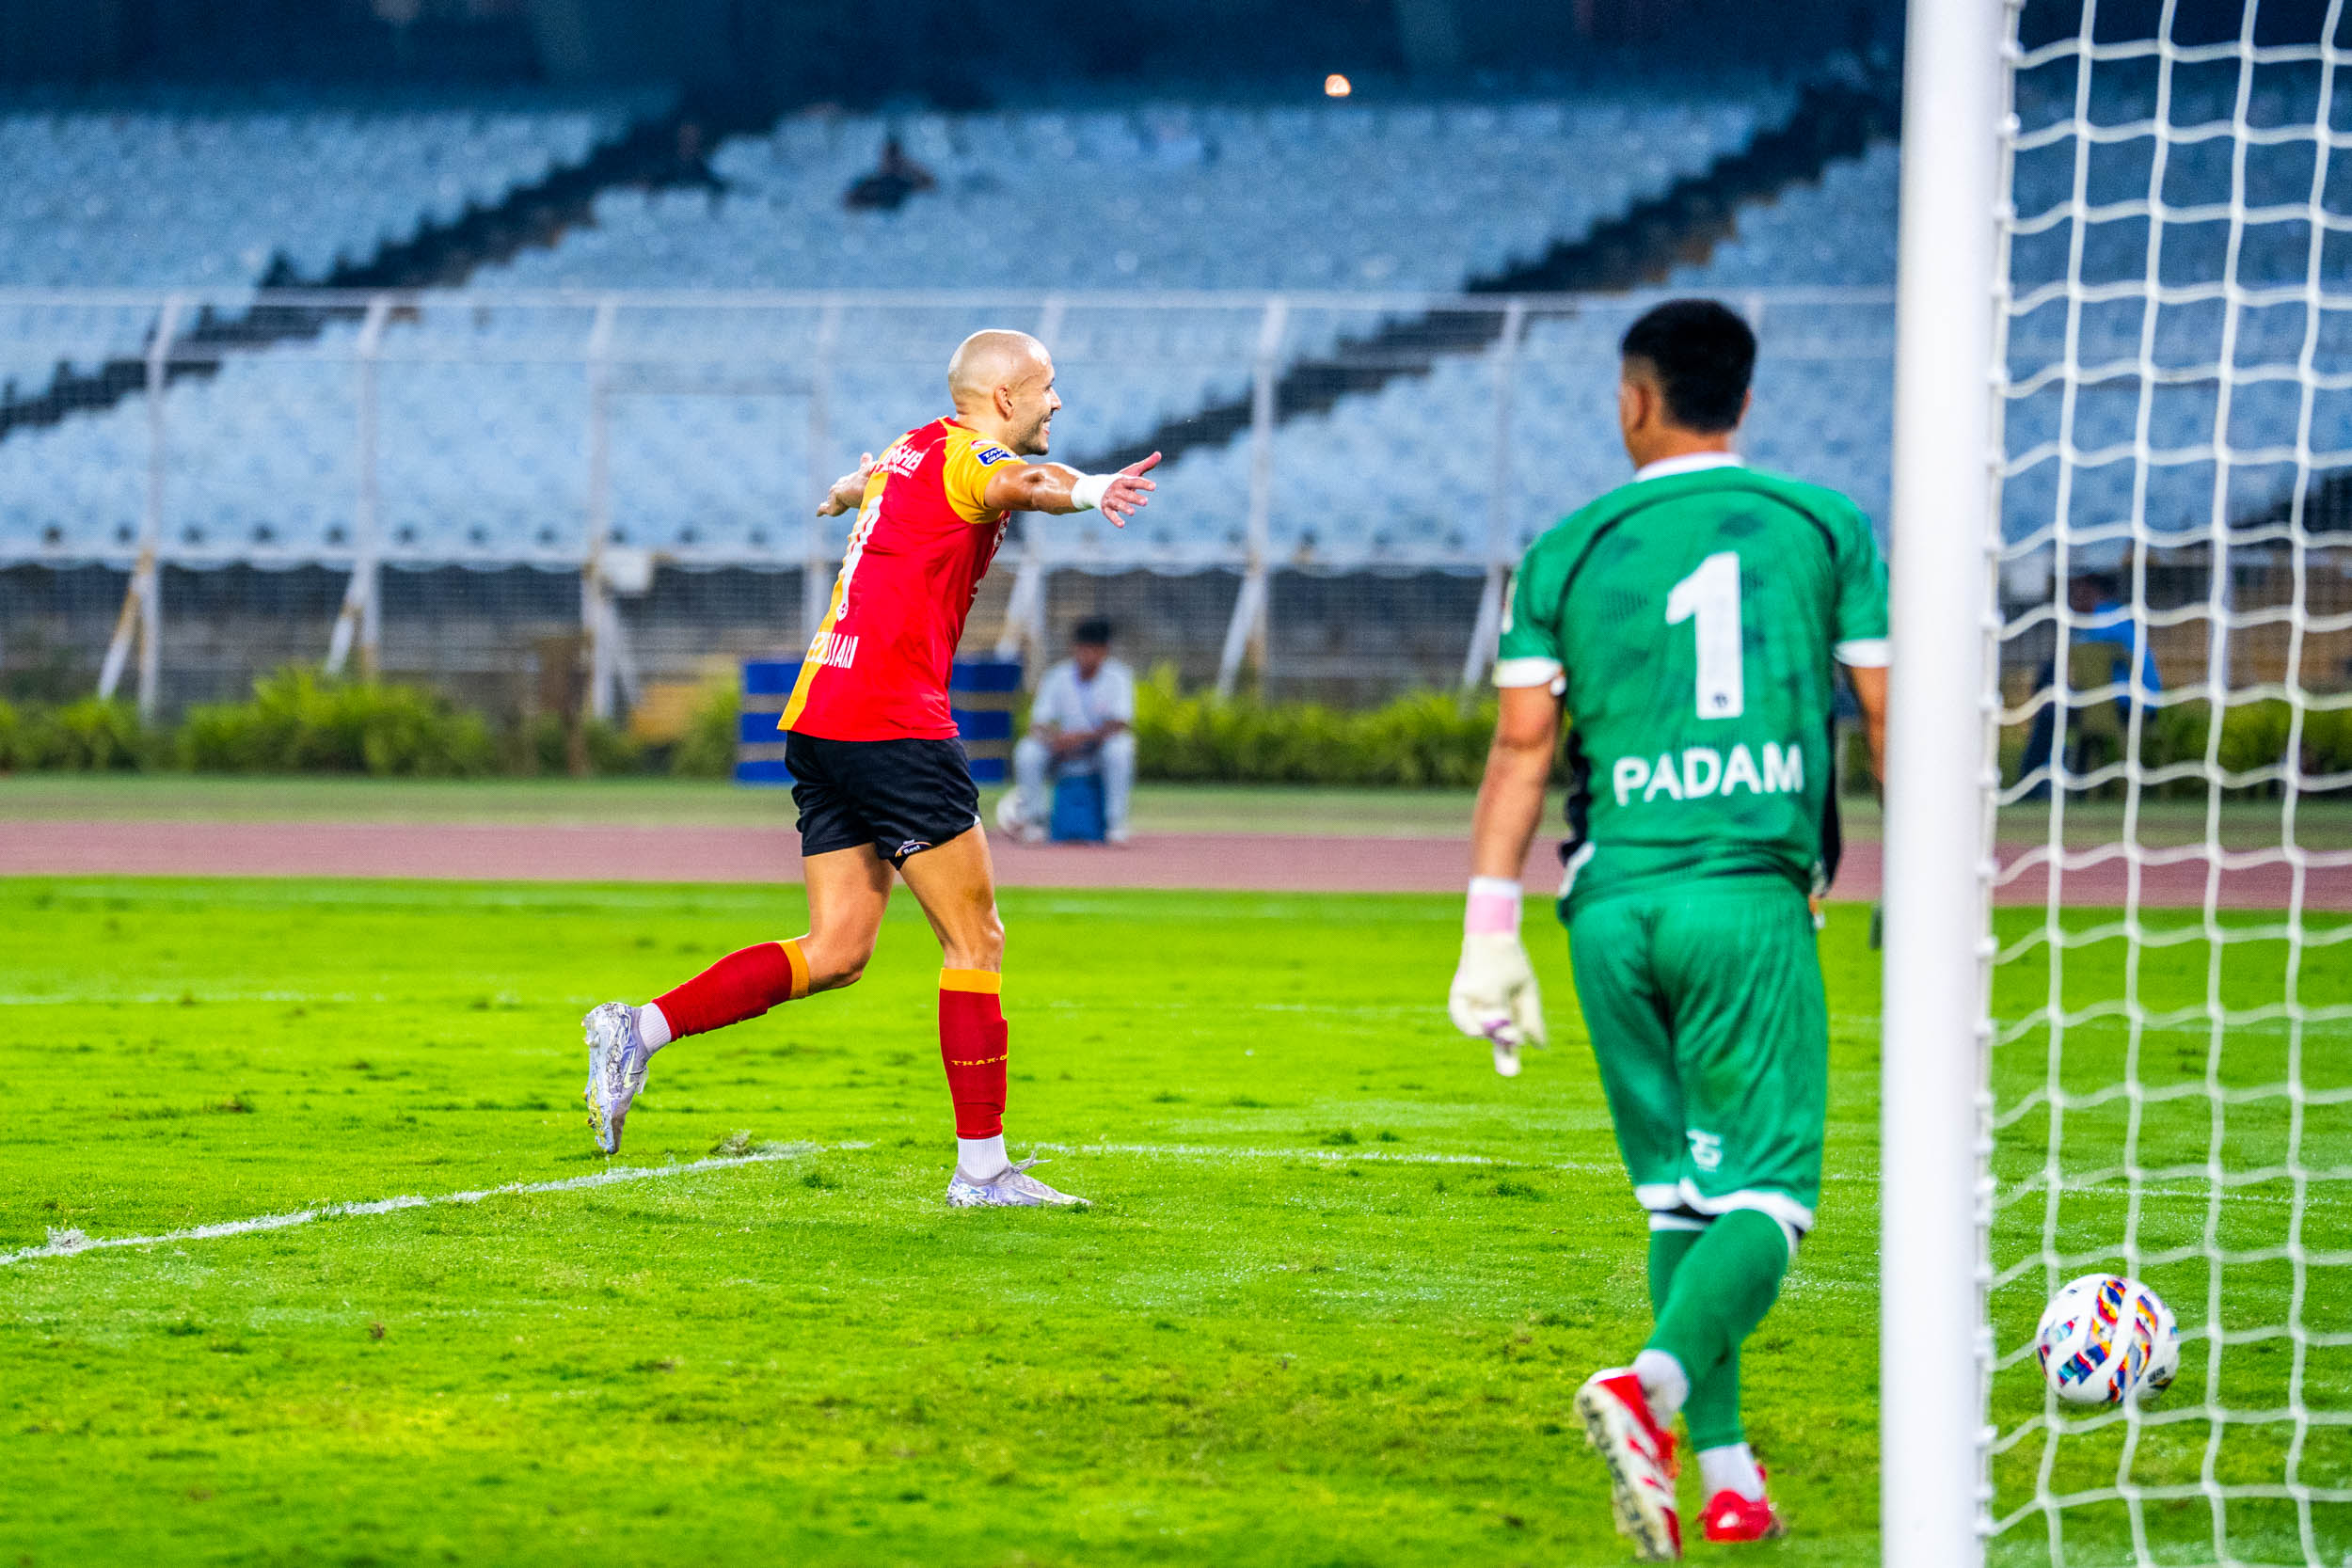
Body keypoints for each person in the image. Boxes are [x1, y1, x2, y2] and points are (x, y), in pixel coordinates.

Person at [1447, 299, 1888, 1558]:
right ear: (1743, 401)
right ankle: (1652, 1384)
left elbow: (1521, 749)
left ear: (1635, 401)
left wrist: (1490, 930)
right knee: (1772, 1191)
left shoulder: (1568, 546)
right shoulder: (1824, 524)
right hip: (1745, 894)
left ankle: (1730, 1476)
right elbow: (1885, 710)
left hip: (1609, 905)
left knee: (1681, 1196)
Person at [580, 329, 1160, 1210]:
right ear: (1004, 399)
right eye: (1047, 388)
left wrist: (855, 487)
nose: (1057, 403)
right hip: (892, 724)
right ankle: (983, 1171)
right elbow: (1023, 482)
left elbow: (884, 485)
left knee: (840, 949)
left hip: (821, 716)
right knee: (977, 941)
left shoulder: (913, 444)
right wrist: (1089, 488)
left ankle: (637, 1027)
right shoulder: (975, 456)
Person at [2016, 569, 2161, 792]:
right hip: (2128, 704)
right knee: (2055, 705)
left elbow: (2083, 661)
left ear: (2092, 591)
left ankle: (2031, 785)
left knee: (2049, 712)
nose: (2073, 598)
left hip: (2125, 707)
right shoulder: (2119, 618)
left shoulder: (2104, 621)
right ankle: (2062, 785)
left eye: (2076, 591)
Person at [998, 619, 1136, 844]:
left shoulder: (1118, 676)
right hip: (1060, 750)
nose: (1086, 654)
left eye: (1092, 649)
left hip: (1096, 750)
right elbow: (1038, 723)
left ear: (1104, 651)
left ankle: (1115, 822)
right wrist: (1057, 740)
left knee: (1120, 748)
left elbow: (1121, 722)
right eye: (1081, 648)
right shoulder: (1057, 676)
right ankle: (1035, 821)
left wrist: (1082, 738)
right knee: (1028, 751)